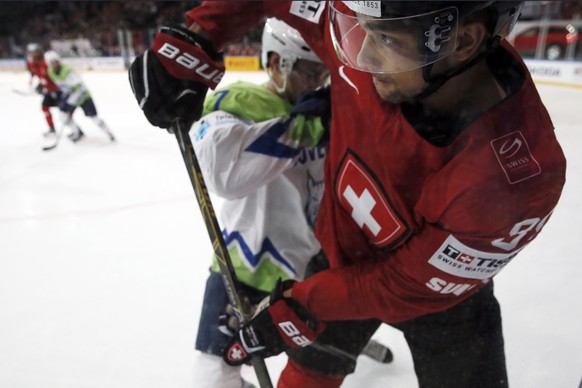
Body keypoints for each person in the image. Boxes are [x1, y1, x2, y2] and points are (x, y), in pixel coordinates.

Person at [129, 2, 567, 387]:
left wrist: (308, 302)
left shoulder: (518, 175)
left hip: (442, 301)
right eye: (358, 28)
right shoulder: (380, 25)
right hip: (339, 260)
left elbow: (403, 283)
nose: (360, 56)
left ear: (462, 41)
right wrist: (198, 35)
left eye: (385, 41)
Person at [189, 18, 329, 387]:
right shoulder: (239, 101)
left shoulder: (332, 109)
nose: (317, 83)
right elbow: (223, 174)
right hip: (245, 264)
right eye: (308, 71)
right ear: (273, 63)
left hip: (312, 269)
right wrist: (300, 127)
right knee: (214, 375)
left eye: (323, 73)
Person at [44, 50, 115, 143]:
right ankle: (77, 132)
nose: (55, 64)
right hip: (69, 97)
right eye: (52, 62)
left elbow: (80, 87)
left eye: (56, 61)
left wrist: (70, 103)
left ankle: (109, 133)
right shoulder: (50, 72)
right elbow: (62, 86)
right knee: (62, 116)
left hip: (83, 96)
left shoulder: (68, 70)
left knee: (94, 118)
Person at [25, 43, 61, 137]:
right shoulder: (31, 62)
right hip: (49, 90)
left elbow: (54, 75)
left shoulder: (47, 60)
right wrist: (40, 84)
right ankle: (52, 128)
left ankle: (76, 129)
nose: (33, 54)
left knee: (64, 110)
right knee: (44, 108)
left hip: (57, 89)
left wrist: (44, 84)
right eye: (31, 52)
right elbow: (36, 73)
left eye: (35, 52)